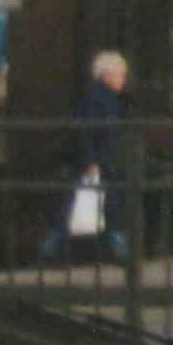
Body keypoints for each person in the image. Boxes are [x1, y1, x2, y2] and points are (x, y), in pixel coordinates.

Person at [39, 49, 132, 261]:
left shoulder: (105, 98)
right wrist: (90, 160)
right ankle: (120, 251)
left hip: (101, 160)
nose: (123, 79)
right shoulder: (98, 98)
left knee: (94, 205)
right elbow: (87, 131)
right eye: (120, 74)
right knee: (102, 205)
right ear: (107, 74)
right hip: (98, 161)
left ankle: (51, 247)